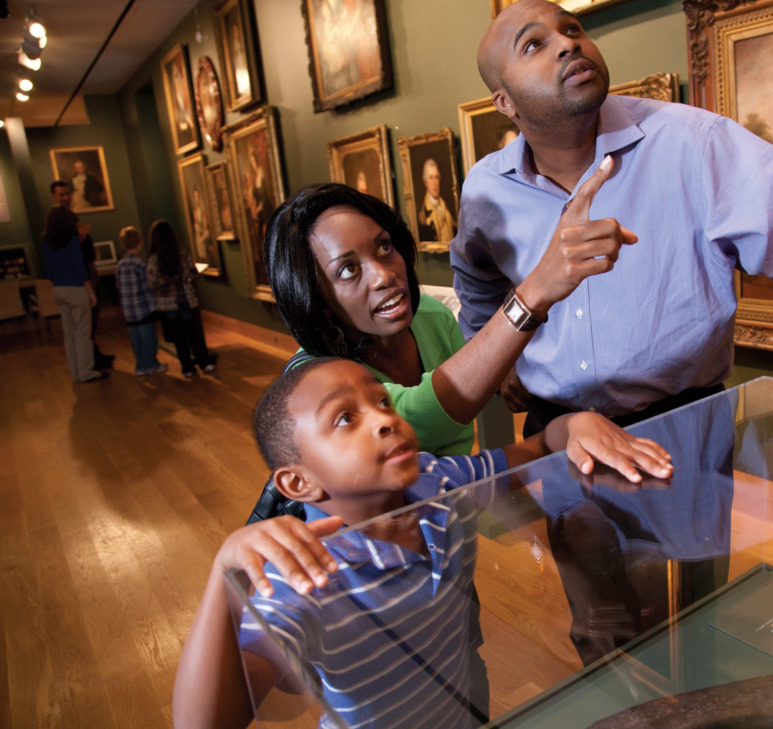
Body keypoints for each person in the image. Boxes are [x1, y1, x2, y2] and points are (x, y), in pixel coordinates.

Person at [452, 0, 773, 439]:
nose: (568, 43)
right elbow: (474, 278)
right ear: (505, 103)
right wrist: (500, 358)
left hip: (685, 430)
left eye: (572, 28)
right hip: (553, 438)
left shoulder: (696, 145)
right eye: (534, 44)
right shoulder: (486, 188)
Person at [173, 357, 672, 729]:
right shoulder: (304, 577)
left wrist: (573, 425)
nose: (383, 419)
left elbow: (530, 453)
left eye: (382, 401)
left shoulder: (435, 480)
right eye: (345, 418)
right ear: (299, 484)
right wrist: (224, 575)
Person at [264, 177, 629, 458]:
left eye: (384, 247)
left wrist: (504, 373)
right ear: (316, 297)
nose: (383, 274)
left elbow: (457, 460)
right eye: (347, 270)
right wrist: (534, 293)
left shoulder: (431, 318)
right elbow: (421, 419)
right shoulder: (311, 379)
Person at [40, 183, 108, 383]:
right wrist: (90, 291)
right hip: (76, 288)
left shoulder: (46, 241)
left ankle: (75, 373)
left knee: (68, 333)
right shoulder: (70, 240)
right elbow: (79, 267)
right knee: (82, 333)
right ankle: (86, 371)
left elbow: (48, 270)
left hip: (58, 289)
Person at [146, 220, 217, 378]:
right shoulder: (182, 252)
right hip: (186, 298)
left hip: (168, 303)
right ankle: (204, 363)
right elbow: (192, 272)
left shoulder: (154, 259)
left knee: (179, 338)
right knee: (194, 334)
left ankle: (187, 367)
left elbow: (151, 281)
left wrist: (165, 282)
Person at [115, 226, 167, 376]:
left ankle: (141, 365)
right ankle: (151, 364)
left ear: (123, 244)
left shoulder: (120, 265)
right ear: (139, 243)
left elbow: (118, 286)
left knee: (135, 339)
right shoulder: (141, 263)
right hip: (144, 308)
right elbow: (148, 284)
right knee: (148, 337)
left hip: (129, 310)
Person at [417, 158, 457, 243]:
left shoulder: (447, 206)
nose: (434, 183)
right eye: (431, 177)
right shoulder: (423, 213)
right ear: (426, 182)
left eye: (436, 177)